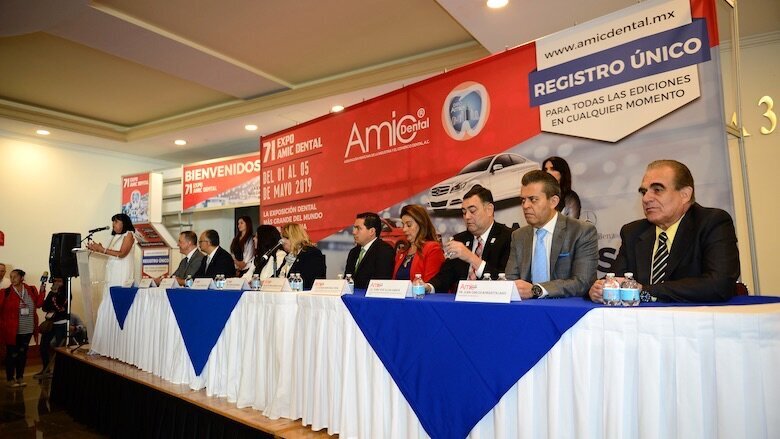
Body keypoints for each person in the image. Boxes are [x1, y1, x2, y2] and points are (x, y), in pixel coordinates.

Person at [588, 160, 740, 303]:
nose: (646, 198)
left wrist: (646, 291)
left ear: (685, 194)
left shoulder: (712, 222)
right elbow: (617, 280)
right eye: (643, 192)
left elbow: (719, 284)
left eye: (657, 190)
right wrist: (601, 289)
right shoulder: (633, 232)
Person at [505, 170, 598, 299]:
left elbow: (583, 282)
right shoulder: (519, 236)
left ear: (553, 202)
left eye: (533, 199)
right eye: (523, 200)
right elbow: (511, 280)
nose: (525, 206)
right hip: (526, 310)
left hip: (566, 311)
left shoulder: (581, 231)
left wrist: (536, 290)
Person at [425, 185, 513, 293]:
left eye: (472, 211)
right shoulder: (459, 240)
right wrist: (428, 287)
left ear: (489, 210)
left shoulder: (508, 237)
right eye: (464, 212)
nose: (467, 217)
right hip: (462, 305)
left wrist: (470, 257)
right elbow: (444, 277)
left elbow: (506, 281)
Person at [0, 269, 43, 388]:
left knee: (22, 354)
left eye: (15, 276)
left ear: (22, 277)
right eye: (11, 276)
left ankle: (19, 377)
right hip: (12, 330)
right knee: (11, 354)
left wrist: (43, 291)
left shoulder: (31, 290)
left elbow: (38, 304)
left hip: (28, 328)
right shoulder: (6, 292)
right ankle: (10, 379)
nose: (12, 279)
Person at [393, 204, 445, 282]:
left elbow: (430, 284)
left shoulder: (433, 249)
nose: (404, 229)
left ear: (421, 224)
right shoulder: (402, 252)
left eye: (409, 225)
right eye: (403, 225)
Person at [344, 212, 396, 289]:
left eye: (358, 228)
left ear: (371, 231)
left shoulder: (384, 251)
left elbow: (380, 283)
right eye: (354, 228)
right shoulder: (353, 252)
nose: (354, 232)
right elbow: (347, 279)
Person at [86, 213, 136, 287]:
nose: (113, 224)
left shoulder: (129, 234)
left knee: (117, 294)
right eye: (113, 221)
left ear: (124, 223)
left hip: (121, 271)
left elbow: (122, 253)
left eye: (116, 221)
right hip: (112, 271)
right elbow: (109, 253)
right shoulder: (114, 236)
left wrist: (102, 249)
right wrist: (97, 249)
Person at [35, 277, 68, 379]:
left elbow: (60, 308)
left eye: (59, 281)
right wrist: (53, 296)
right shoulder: (52, 292)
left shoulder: (66, 293)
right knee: (43, 347)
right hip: (50, 323)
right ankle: (46, 369)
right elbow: (44, 307)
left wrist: (53, 296)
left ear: (64, 282)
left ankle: (61, 371)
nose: (57, 283)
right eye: (55, 281)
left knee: (60, 349)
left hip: (61, 324)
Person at [276, 223, 326, 290]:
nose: (282, 242)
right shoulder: (289, 256)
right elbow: (277, 275)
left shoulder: (311, 253)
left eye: (284, 238)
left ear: (292, 238)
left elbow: (309, 281)